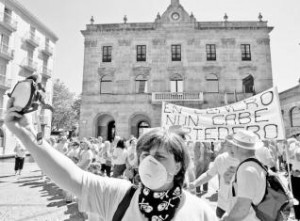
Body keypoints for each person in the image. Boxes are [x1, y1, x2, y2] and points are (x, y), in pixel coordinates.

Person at [4, 100, 218, 221]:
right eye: (145, 156)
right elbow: (70, 176)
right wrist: (28, 135)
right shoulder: (118, 195)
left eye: (161, 156)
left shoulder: (202, 212)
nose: (150, 162)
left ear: (179, 165)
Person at [188, 135, 239, 218]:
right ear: (225, 145)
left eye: (236, 146)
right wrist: (194, 183)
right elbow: (209, 174)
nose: (232, 149)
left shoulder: (247, 160)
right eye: (229, 145)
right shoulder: (221, 159)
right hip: (222, 205)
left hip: (241, 207)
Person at [221, 130, 265, 221]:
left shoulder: (246, 170)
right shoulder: (254, 164)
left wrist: (228, 219)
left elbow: (242, 208)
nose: (231, 148)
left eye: (233, 145)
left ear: (237, 147)